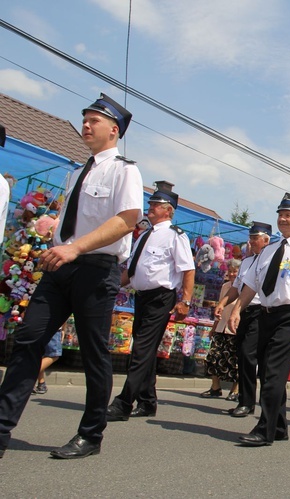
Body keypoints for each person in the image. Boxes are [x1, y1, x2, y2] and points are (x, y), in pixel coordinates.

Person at [0, 93, 143, 459]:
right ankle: (1, 429)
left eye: (93, 120)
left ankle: (91, 435)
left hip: (95, 270)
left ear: (114, 130)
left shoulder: (124, 170)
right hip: (60, 266)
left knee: (95, 354)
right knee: (29, 340)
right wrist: (57, 240)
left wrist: (75, 248)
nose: (85, 125)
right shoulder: (78, 172)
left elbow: (127, 220)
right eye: (84, 119)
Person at [227, 194, 290, 446]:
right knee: (268, 372)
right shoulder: (268, 250)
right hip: (266, 315)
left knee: (273, 372)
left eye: (289, 215)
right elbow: (251, 285)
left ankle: (265, 429)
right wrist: (238, 309)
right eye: (280, 214)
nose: (283, 219)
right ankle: (280, 426)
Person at [107, 186, 195, 422]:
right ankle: (147, 402)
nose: (150, 208)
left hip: (161, 298)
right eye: (151, 204)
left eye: (155, 205)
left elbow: (188, 269)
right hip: (142, 296)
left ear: (168, 211)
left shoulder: (176, 235)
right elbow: (132, 270)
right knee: (142, 348)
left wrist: (185, 301)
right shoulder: (144, 235)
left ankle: (124, 402)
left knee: (142, 349)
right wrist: (112, 284)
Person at [215, 222, 272, 417]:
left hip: (260, 312)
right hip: (243, 312)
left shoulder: (271, 260)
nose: (251, 242)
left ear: (266, 240)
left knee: (250, 355)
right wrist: (223, 303)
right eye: (250, 238)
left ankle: (252, 402)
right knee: (242, 355)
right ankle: (245, 401)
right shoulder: (247, 262)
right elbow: (236, 288)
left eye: (255, 238)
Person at [201, 259, 242, 402]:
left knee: (235, 360)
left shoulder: (244, 288)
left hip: (235, 329)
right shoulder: (225, 286)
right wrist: (214, 327)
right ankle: (215, 387)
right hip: (221, 327)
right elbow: (220, 307)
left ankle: (235, 390)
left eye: (234, 271)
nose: (231, 274)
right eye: (229, 271)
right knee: (213, 357)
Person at [31, 330, 63, 395]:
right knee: (54, 355)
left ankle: (41, 383)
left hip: (38, 327)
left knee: (41, 355)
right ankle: (27, 377)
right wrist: (63, 330)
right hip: (54, 328)